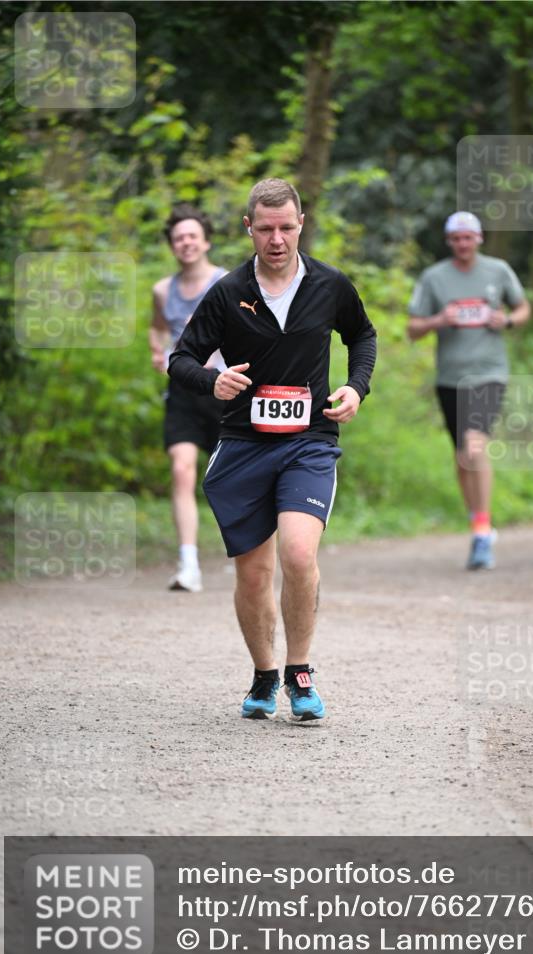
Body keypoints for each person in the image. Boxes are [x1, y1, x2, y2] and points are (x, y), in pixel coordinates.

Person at [168, 178, 377, 722]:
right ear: (248, 228)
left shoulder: (330, 285)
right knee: (254, 572)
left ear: (301, 224)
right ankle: (264, 675)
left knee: (299, 554)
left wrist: (356, 386)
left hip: (309, 442)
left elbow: (363, 337)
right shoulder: (227, 291)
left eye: (286, 227)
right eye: (265, 228)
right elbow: (181, 359)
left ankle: (299, 672)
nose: (277, 239)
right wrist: (211, 381)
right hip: (242, 444)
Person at [407, 211, 531, 570]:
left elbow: (524, 308)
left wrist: (506, 319)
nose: (463, 243)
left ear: (479, 238)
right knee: (463, 457)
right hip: (450, 378)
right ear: (449, 241)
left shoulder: (498, 271)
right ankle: (478, 521)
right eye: (456, 238)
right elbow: (413, 328)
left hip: (490, 373)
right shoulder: (434, 278)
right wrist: (437, 321)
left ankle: (481, 532)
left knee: (476, 446)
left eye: (469, 237)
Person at [149, 204, 227, 592]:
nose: (186, 242)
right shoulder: (162, 290)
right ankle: (188, 564)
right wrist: (158, 353)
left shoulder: (228, 283)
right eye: (179, 237)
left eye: (192, 235)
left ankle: (246, 552)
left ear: (206, 241)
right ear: (172, 245)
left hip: (223, 388)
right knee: (182, 470)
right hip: (181, 390)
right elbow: (158, 330)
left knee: (230, 478)